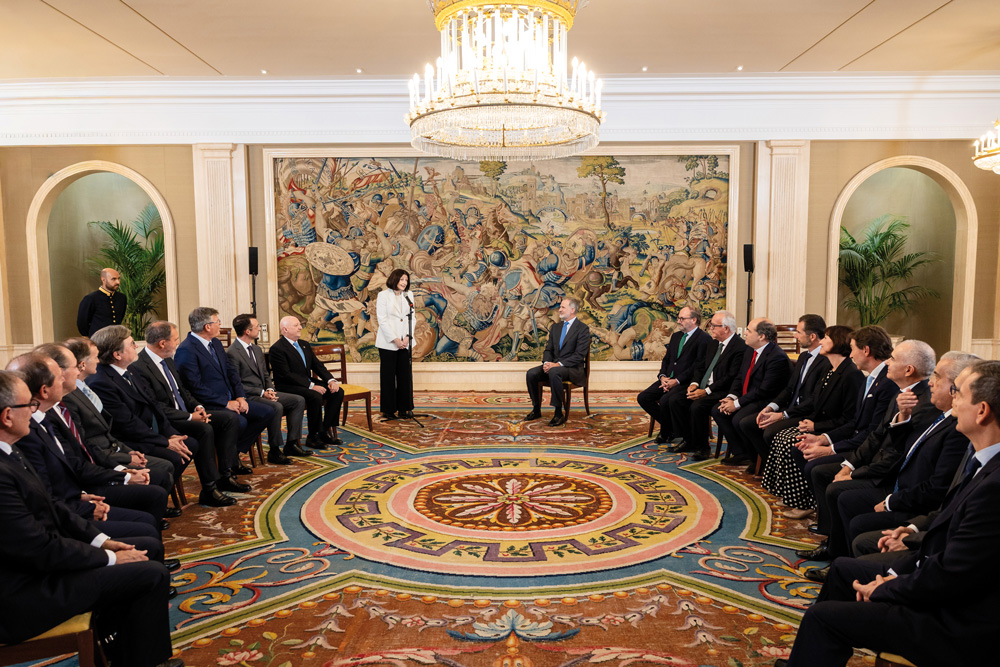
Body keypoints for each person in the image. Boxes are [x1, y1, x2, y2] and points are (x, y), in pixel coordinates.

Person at [774, 361, 1000, 667]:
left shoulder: (993, 485)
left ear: (982, 411)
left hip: (957, 621)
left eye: (958, 392)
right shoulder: (983, 460)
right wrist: (899, 563)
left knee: (821, 618)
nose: (953, 398)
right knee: (842, 568)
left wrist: (888, 586)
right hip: (938, 579)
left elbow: (952, 574)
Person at [0, 370, 181, 667]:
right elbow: (38, 548)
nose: (33, 411)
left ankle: (116, 645)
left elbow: (52, 507)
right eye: (28, 405)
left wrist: (103, 542)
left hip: (39, 568)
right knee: (150, 574)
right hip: (20, 594)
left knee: (143, 553)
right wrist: (108, 558)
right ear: (8, 416)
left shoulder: (9, 452)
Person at [796, 339, 937, 569]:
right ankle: (834, 547)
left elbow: (896, 454)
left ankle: (840, 557)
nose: (888, 362)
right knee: (828, 479)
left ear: (908, 370)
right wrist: (849, 466)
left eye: (893, 359)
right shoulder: (902, 393)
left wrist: (854, 474)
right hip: (878, 464)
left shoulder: (921, 403)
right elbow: (876, 435)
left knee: (838, 490)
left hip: (891, 478)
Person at [128, 320, 243, 506]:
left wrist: (197, 407)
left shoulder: (168, 360)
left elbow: (183, 391)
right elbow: (156, 406)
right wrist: (189, 417)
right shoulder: (139, 368)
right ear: (162, 343)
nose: (178, 343)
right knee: (204, 430)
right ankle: (209, 488)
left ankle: (225, 474)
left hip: (186, 413)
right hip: (168, 420)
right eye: (175, 339)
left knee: (229, 419)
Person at [761, 325, 864, 517]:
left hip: (835, 429)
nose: (822, 341)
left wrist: (815, 426)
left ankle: (805, 501)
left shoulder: (851, 374)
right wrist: (807, 422)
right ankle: (790, 494)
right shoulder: (830, 369)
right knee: (781, 437)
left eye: (826, 338)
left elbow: (849, 419)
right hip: (819, 422)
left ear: (838, 343)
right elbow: (816, 402)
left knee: (791, 442)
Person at [60, 336, 177, 501]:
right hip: (102, 457)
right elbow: (87, 443)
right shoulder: (75, 394)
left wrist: (128, 451)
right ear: (82, 364)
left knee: (166, 467)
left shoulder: (83, 388)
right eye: (95, 357)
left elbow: (151, 405)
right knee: (163, 472)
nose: (99, 361)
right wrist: (126, 459)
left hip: (115, 446)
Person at [174, 307, 272, 464]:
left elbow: (231, 372)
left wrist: (240, 396)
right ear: (207, 326)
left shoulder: (215, 343)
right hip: (209, 404)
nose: (220, 324)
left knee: (267, 412)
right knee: (240, 422)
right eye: (217, 321)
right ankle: (229, 460)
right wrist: (226, 403)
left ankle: (233, 453)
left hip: (230, 398)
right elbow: (195, 386)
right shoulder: (187, 349)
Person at [741, 314, 831, 462]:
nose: (795, 336)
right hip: (791, 408)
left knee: (769, 432)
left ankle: (773, 466)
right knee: (748, 423)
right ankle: (766, 464)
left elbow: (814, 400)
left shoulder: (826, 362)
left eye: (799, 332)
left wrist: (783, 415)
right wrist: (771, 407)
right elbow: (789, 389)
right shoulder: (803, 357)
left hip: (807, 413)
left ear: (812, 336)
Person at [228, 313, 310, 461]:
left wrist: (270, 389)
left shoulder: (256, 349)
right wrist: (262, 393)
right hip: (248, 396)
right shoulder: (232, 353)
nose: (260, 328)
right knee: (276, 406)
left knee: (298, 400)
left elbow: (265, 374)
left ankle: (292, 444)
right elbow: (236, 384)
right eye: (257, 326)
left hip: (264, 392)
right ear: (247, 331)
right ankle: (274, 449)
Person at [712, 318, 792, 471]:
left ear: (761, 336)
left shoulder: (776, 357)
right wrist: (731, 397)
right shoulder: (750, 350)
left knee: (740, 419)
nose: (745, 333)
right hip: (751, 397)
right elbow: (740, 377)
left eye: (748, 330)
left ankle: (759, 460)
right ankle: (741, 452)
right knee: (719, 410)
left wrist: (737, 404)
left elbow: (764, 390)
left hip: (768, 400)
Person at [671, 310, 747, 459]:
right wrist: (694, 383)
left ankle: (703, 448)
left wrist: (706, 391)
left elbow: (730, 377)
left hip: (722, 390)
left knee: (697, 407)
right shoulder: (713, 344)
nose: (710, 328)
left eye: (713, 326)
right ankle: (689, 440)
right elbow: (700, 366)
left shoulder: (740, 347)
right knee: (676, 400)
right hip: (704, 386)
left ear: (726, 328)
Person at [636, 307, 711, 444]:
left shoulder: (704, 339)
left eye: (682, 318)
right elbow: (667, 359)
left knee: (666, 400)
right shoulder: (676, 336)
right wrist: (662, 376)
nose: (678, 321)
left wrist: (677, 380)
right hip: (667, 379)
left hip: (685, 382)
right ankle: (670, 428)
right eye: (678, 318)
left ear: (694, 320)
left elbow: (698, 366)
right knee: (643, 398)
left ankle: (667, 431)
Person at [269, 316, 345, 449]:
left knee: (337, 392)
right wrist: (311, 386)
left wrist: (331, 380)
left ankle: (324, 430)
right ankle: (312, 437)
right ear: (285, 329)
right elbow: (286, 375)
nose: (300, 327)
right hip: (288, 386)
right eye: (296, 325)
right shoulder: (277, 348)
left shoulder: (304, 344)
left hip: (306, 382)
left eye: (299, 324)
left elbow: (317, 365)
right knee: (315, 396)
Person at [525, 297, 592, 427]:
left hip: (573, 369)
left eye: (563, 307)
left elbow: (579, 355)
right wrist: (546, 363)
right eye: (560, 307)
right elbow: (548, 349)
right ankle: (536, 409)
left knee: (555, 371)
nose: (559, 310)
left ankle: (558, 413)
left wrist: (557, 364)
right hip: (554, 366)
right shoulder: (556, 327)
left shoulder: (582, 329)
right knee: (531, 373)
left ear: (572, 310)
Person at [375, 268, 416, 420]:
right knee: (388, 376)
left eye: (406, 280)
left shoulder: (409, 295)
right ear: (394, 279)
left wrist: (407, 337)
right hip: (388, 343)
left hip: (405, 342)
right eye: (401, 279)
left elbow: (412, 317)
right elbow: (382, 320)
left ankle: (405, 408)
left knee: (405, 376)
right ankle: (388, 410)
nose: (404, 282)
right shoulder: (383, 295)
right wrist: (395, 339)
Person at [76, 267, 127, 336]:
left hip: (116, 338)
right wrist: (92, 336)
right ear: (103, 280)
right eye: (113, 279)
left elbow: (120, 318)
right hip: (97, 339)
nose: (117, 282)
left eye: (118, 279)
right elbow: (82, 323)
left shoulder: (122, 297)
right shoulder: (91, 298)